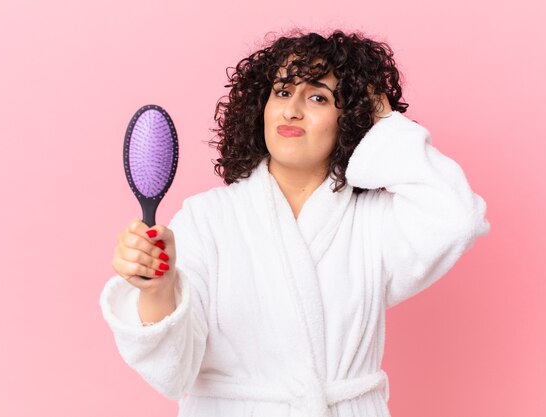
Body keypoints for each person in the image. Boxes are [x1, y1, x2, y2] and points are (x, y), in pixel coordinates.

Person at [100, 29, 490, 417]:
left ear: (351, 117)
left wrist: (384, 120)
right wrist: (158, 288)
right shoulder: (206, 218)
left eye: (318, 97)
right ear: (260, 106)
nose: (291, 110)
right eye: (282, 92)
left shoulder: (373, 221)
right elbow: (172, 371)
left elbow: (458, 218)